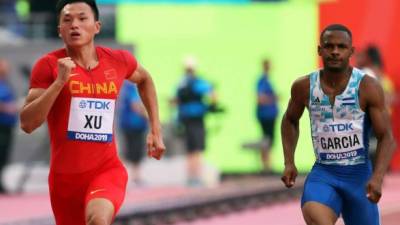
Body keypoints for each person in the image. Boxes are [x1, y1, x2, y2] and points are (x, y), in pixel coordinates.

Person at [19, 1, 165, 225]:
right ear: (59, 30)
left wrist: (155, 129)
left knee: (98, 220)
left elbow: (144, 79)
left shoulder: (118, 60)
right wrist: (59, 83)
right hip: (64, 181)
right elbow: (27, 123)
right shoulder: (48, 66)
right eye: (67, 20)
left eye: (82, 18)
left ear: (97, 26)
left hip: (106, 170)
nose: (74, 25)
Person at [281, 24, 395, 225]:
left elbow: (386, 137)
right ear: (320, 50)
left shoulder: (367, 86)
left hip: (359, 177)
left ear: (351, 51)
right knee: (317, 217)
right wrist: (289, 161)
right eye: (329, 46)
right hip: (323, 174)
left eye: (341, 47)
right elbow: (290, 119)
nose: (335, 51)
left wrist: (377, 177)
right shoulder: (304, 87)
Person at [172, 57, 216, 187]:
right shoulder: (198, 83)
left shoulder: (181, 83)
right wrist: (211, 106)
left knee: (189, 150)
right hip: (197, 120)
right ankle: (196, 177)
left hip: (185, 120)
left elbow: (175, 101)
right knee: (197, 149)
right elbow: (212, 93)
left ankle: (190, 177)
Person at [118, 81, 148, 185]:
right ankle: (135, 176)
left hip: (126, 123)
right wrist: (149, 117)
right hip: (135, 124)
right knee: (135, 151)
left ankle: (127, 176)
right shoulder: (132, 87)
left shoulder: (124, 87)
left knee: (127, 150)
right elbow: (135, 105)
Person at [256, 59, 278, 171]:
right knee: (266, 139)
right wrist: (274, 98)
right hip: (266, 115)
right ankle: (266, 165)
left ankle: (267, 164)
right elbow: (260, 99)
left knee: (268, 139)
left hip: (269, 114)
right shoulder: (262, 81)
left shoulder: (267, 80)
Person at [0, 58, 18, 194]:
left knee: (5, 154)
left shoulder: (6, 83)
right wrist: (7, 108)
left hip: (8, 124)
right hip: (1, 125)